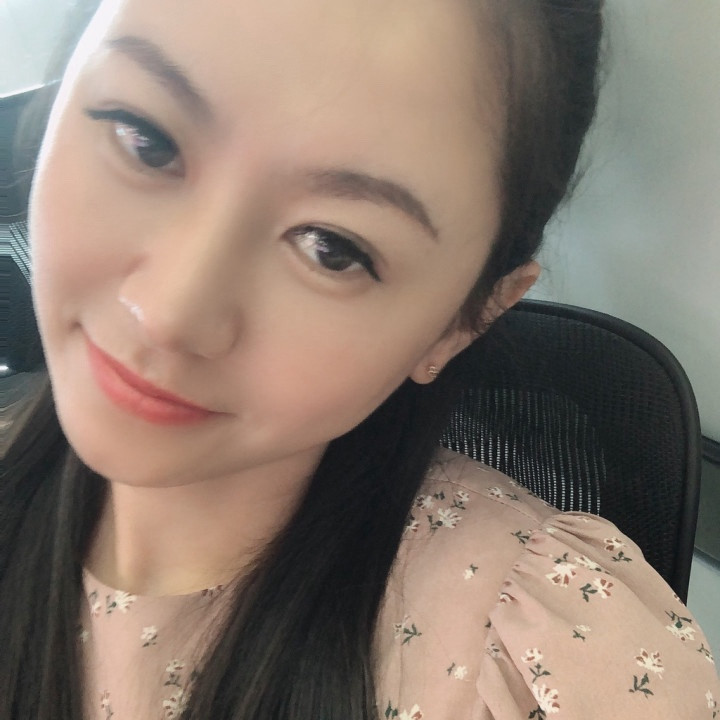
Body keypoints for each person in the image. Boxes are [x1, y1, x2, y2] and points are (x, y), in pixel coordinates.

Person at [2, 0, 719, 717]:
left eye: (332, 248)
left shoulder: (547, 661)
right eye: (146, 139)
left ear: (461, 324)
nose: (168, 314)